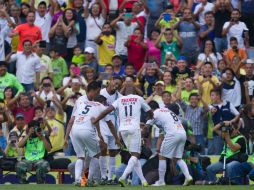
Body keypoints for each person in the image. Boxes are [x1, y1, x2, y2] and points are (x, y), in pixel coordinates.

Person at [64, 81, 120, 186]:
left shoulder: (82, 103)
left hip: (75, 130)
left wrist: (66, 138)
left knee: (81, 157)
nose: (98, 94)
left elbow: (71, 120)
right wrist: (116, 138)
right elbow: (110, 123)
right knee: (97, 154)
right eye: (98, 92)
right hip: (87, 131)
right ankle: (88, 180)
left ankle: (78, 180)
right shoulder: (99, 106)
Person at [92, 92, 153, 187]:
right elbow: (149, 111)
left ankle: (143, 181)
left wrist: (95, 120)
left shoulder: (120, 100)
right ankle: (123, 178)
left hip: (122, 129)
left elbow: (105, 111)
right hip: (134, 128)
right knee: (136, 155)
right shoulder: (138, 98)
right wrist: (151, 117)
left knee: (133, 156)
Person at [146, 101, 193, 186]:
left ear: (150, 109)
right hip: (182, 133)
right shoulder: (167, 111)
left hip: (172, 134)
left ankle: (161, 181)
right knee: (178, 158)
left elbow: (146, 129)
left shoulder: (154, 113)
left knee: (162, 156)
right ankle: (188, 177)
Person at [208, 88, 240, 155]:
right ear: (210, 97)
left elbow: (237, 114)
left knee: (230, 151)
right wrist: (211, 110)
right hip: (217, 133)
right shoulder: (210, 106)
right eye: (212, 95)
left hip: (229, 132)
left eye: (217, 95)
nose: (215, 97)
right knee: (218, 153)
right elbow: (210, 109)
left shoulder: (228, 104)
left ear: (220, 95)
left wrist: (231, 121)